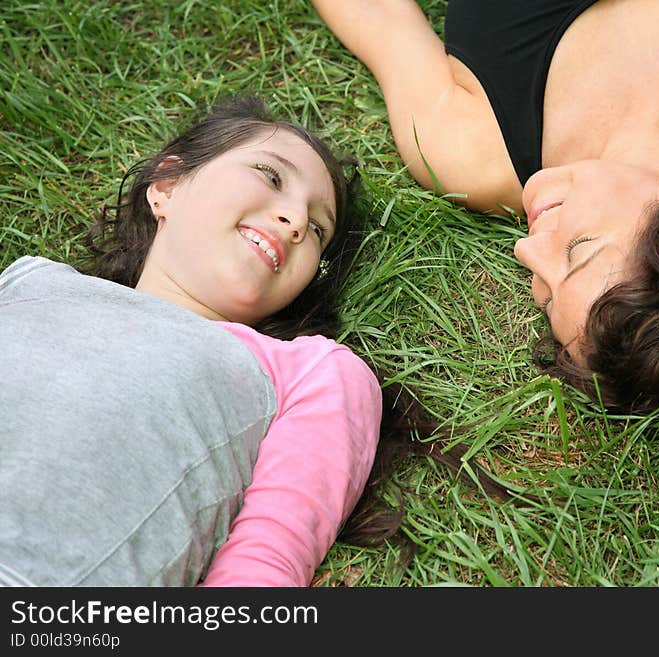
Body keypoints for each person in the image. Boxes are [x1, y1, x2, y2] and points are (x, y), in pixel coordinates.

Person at [0, 95, 489, 587]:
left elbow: (267, 560)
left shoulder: (305, 370)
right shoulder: (31, 280)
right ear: (167, 186)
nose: (296, 220)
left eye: (317, 228)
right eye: (271, 176)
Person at [309, 0, 659, 417]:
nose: (527, 248)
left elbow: (380, 19)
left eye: (546, 291)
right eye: (578, 251)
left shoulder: (468, 149)